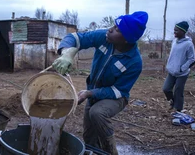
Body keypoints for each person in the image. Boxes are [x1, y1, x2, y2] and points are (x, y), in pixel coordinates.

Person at [52, 11, 148, 154]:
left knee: (97, 113)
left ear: (127, 39)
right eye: (114, 25)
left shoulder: (134, 62)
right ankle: (94, 151)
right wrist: (67, 53)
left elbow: (118, 90)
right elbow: (76, 38)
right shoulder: (105, 38)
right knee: (89, 136)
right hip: (92, 93)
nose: (110, 30)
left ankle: (110, 150)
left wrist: (89, 93)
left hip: (116, 97)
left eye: (117, 29)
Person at [162, 21, 195, 112]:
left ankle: (178, 110)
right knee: (166, 89)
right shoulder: (174, 41)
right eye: (174, 30)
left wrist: (182, 68)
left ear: (183, 31)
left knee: (178, 91)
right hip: (172, 71)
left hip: (182, 73)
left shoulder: (188, 44)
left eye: (176, 30)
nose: (174, 32)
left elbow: (192, 59)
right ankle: (172, 101)